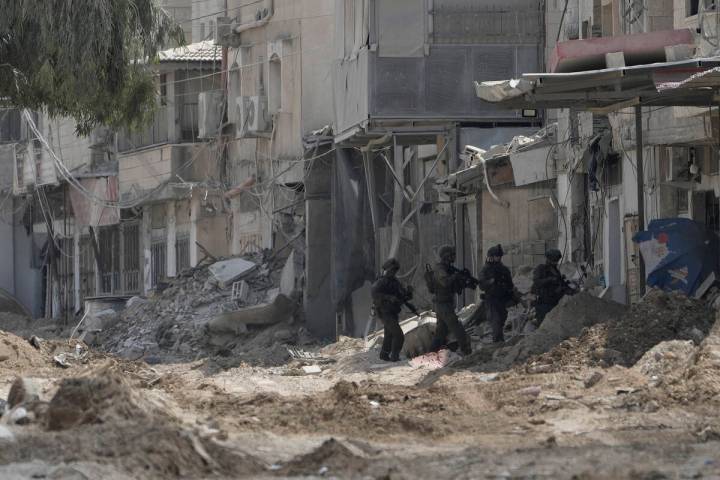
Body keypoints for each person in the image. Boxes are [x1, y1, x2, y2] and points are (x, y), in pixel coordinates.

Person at [428, 245, 474, 355]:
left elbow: (454, 286)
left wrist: (465, 282)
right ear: (446, 256)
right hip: (442, 304)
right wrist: (456, 276)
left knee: (441, 332)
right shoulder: (440, 269)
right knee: (457, 327)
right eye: (452, 255)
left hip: (446, 303)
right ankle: (466, 351)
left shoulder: (449, 268)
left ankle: (431, 353)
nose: (454, 257)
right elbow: (445, 282)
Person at [371, 258, 412, 362]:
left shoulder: (395, 282)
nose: (394, 273)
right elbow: (374, 293)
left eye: (395, 271)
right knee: (398, 335)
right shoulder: (381, 281)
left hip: (393, 312)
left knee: (389, 335)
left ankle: (384, 355)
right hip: (385, 312)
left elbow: (402, 296)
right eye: (392, 270)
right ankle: (394, 356)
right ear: (388, 270)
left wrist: (409, 293)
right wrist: (388, 297)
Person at [477, 244, 515, 343]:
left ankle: (499, 341)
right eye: (496, 256)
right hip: (492, 300)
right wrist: (491, 281)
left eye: (499, 256)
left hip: (502, 300)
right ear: (491, 257)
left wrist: (512, 297)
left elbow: (510, 285)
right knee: (496, 322)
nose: (498, 258)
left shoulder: (504, 269)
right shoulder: (486, 269)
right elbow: (481, 285)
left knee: (502, 320)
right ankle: (497, 343)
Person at [531, 248, 567, 325]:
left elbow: (561, 284)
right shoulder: (541, 269)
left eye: (557, 260)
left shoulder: (556, 271)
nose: (556, 262)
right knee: (543, 325)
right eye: (555, 260)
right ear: (549, 259)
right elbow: (537, 282)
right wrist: (550, 279)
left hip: (554, 303)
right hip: (543, 303)